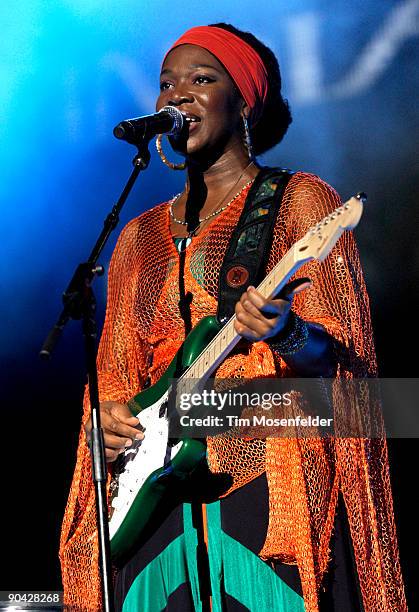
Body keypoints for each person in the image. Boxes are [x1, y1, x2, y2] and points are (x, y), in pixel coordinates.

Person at [60, 23, 406, 611]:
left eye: (201, 79)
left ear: (244, 99)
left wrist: (284, 330)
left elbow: (354, 381)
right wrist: (110, 423)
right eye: (167, 83)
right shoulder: (138, 238)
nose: (177, 95)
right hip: (156, 501)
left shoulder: (300, 202)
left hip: (268, 480)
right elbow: (116, 383)